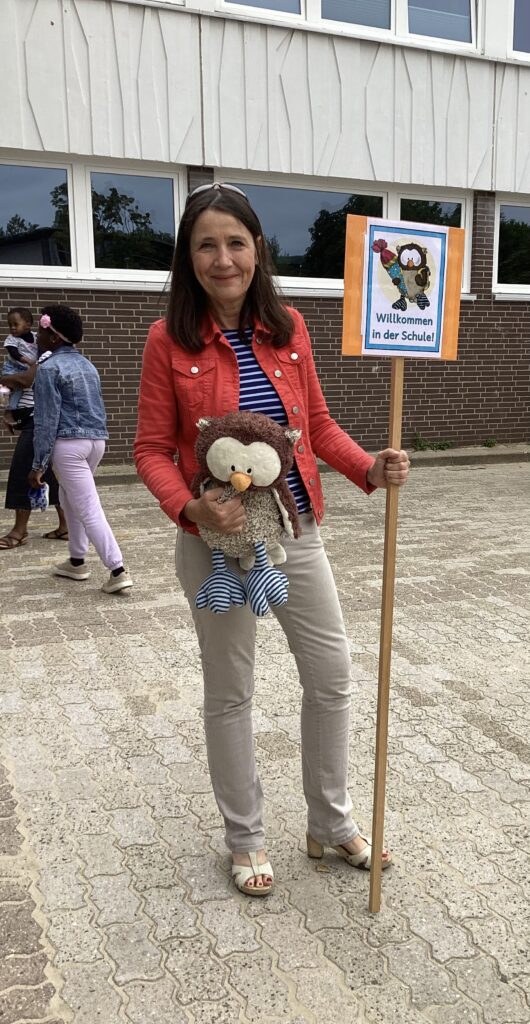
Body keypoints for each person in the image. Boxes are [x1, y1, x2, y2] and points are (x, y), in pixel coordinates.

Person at [134, 182, 410, 897]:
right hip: (213, 544)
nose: (222, 259)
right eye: (206, 245)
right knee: (231, 692)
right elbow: (150, 449)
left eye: (235, 242)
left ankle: (330, 823)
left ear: (258, 248)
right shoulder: (168, 339)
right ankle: (246, 838)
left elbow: (315, 426)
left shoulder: (289, 328)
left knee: (332, 674)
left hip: (295, 531)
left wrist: (368, 467)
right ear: (188, 257)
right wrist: (191, 508)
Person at [28, 305, 133, 594]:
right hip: (96, 442)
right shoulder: (88, 365)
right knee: (68, 497)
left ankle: (117, 569)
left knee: (87, 505)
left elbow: (46, 420)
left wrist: (38, 465)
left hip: (68, 446)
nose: (37, 336)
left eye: (40, 332)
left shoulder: (48, 368)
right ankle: (76, 561)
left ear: (54, 337)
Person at [0, 343, 68, 550]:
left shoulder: (47, 356)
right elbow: (19, 387)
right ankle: (66, 526)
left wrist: (4, 379)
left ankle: (19, 531)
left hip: (41, 421)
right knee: (47, 473)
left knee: (23, 469)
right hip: (36, 419)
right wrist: (9, 411)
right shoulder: (39, 357)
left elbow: (25, 380)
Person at [2, 307, 38, 430]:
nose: (12, 327)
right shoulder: (12, 339)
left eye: (15, 324)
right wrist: (28, 361)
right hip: (13, 368)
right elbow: (14, 353)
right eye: (10, 325)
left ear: (28, 324)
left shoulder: (36, 337)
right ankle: (9, 410)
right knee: (16, 389)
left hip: (26, 369)